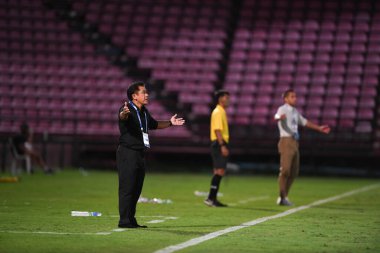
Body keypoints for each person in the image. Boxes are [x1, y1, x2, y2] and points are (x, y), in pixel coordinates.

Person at [117, 81, 185, 228]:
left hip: (139, 153)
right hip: (128, 153)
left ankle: (131, 219)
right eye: (143, 92)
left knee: (136, 188)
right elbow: (123, 117)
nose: (147, 95)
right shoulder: (126, 108)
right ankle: (124, 220)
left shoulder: (144, 112)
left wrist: (170, 123)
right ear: (134, 96)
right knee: (127, 187)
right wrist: (123, 114)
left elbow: (154, 124)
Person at [274, 89, 330, 206]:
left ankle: (284, 197)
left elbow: (305, 122)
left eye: (295, 96)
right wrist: (279, 117)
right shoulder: (282, 108)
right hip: (286, 140)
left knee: (294, 172)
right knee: (285, 170)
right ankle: (282, 196)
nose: (295, 98)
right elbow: (277, 115)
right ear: (286, 99)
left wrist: (319, 128)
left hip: (295, 142)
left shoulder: (294, 111)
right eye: (292, 97)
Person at [204, 90, 230, 207]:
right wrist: (222, 145)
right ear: (220, 99)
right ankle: (210, 198)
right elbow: (217, 130)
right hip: (219, 143)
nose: (228, 100)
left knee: (218, 171)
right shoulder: (218, 111)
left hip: (218, 142)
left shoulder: (220, 111)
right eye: (226, 97)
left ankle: (212, 198)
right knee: (220, 171)